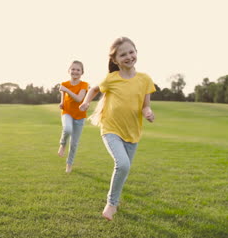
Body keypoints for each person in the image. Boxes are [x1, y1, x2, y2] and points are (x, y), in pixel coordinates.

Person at [79, 37, 156, 221]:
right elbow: (94, 89)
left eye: (131, 52)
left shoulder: (145, 79)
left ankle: (115, 201)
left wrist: (148, 112)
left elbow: (145, 105)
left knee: (123, 169)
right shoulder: (111, 79)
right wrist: (86, 102)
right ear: (115, 60)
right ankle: (111, 204)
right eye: (123, 54)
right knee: (122, 164)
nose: (129, 56)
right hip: (111, 128)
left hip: (133, 133)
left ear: (136, 52)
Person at [58, 60, 89, 173]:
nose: (75, 71)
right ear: (69, 71)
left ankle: (69, 164)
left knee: (74, 143)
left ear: (82, 72)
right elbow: (63, 94)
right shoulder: (64, 84)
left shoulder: (84, 85)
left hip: (80, 116)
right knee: (67, 129)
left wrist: (67, 90)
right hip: (67, 112)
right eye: (73, 69)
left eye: (78, 70)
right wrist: (61, 102)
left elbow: (79, 99)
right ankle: (62, 144)